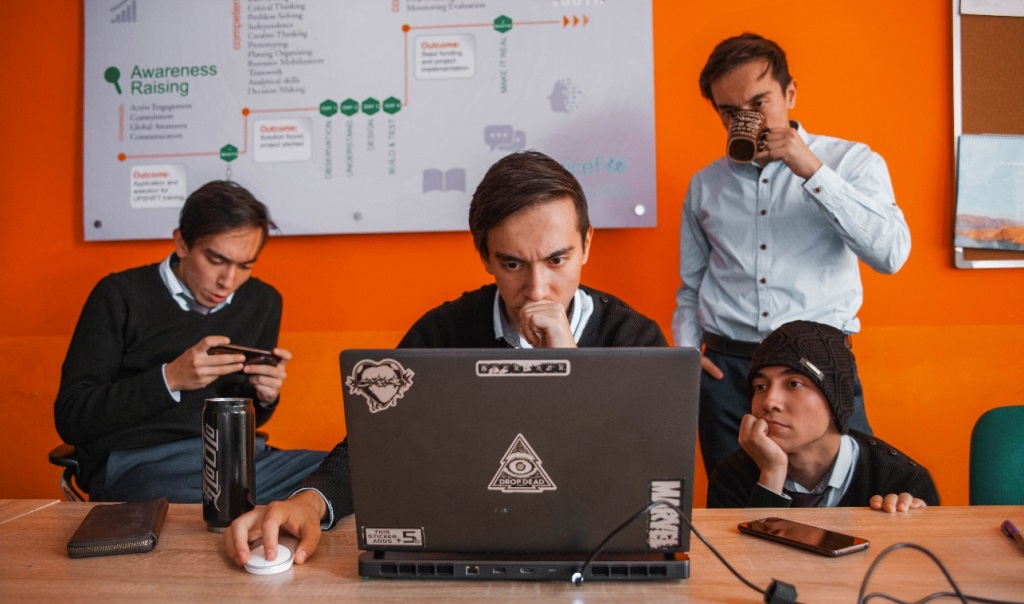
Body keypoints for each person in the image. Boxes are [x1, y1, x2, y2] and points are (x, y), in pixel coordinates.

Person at [226, 150, 667, 567]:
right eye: (513, 264)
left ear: (586, 245)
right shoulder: (441, 334)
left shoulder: (636, 340)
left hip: (596, 553)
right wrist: (310, 502)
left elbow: (650, 478)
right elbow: (378, 444)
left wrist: (569, 368)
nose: (537, 289)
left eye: (557, 260)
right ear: (485, 257)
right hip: (466, 552)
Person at [671, 33, 911, 476]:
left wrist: (813, 172)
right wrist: (686, 354)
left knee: (845, 498)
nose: (745, 118)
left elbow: (890, 253)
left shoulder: (850, 162)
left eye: (759, 102)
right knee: (737, 504)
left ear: (791, 93)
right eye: (730, 111)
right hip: (728, 372)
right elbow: (691, 285)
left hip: (819, 366)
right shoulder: (706, 184)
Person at [54, 180, 326, 503]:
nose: (228, 281)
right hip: (141, 465)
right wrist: (170, 379)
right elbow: (72, 417)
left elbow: (248, 415)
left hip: (235, 460)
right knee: (203, 504)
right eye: (216, 260)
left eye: (245, 266)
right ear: (182, 244)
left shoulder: (263, 301)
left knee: (351, 471)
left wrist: (265, 398)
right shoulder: (118, 295)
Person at [707, 321, 938, 511]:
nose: (769, 402)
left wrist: (903, 526)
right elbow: (745, 556)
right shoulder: (730, 477)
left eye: (794, 384)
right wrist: (772, 475)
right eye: (760, 387)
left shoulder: (902, 481)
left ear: (835, 399)